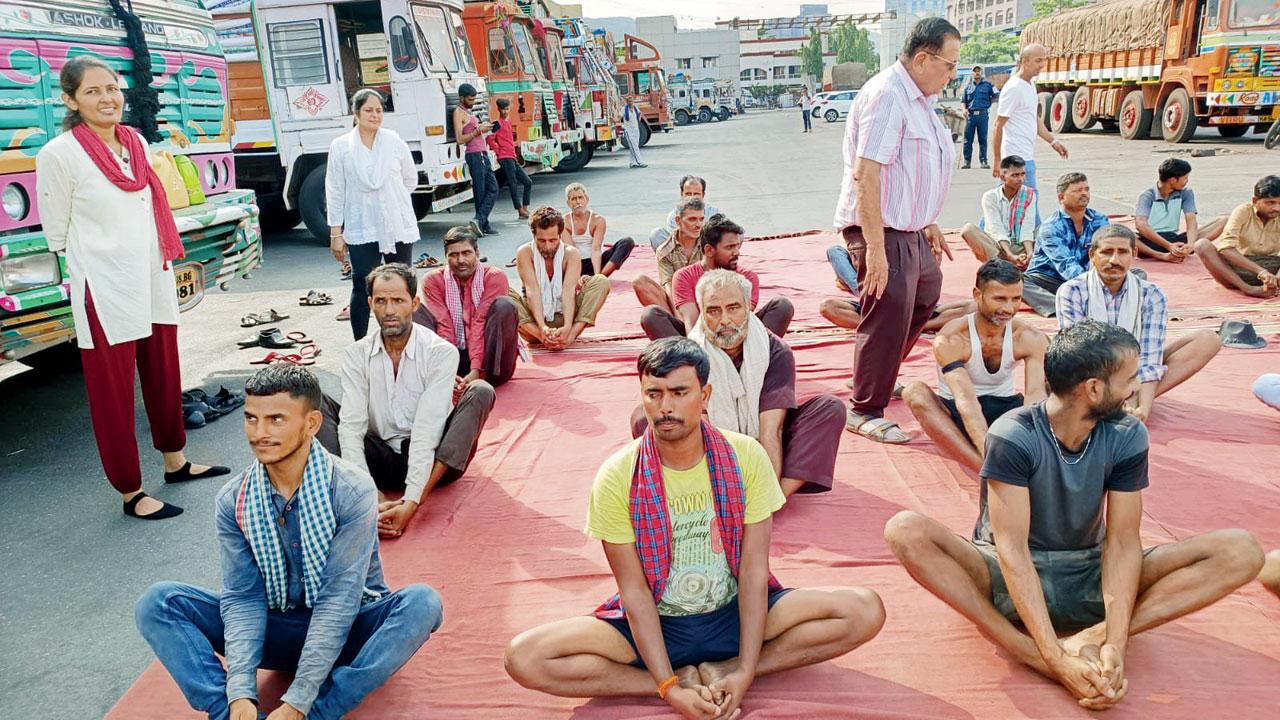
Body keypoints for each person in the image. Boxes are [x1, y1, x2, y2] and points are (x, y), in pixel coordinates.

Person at [884, 320, 1264, 711]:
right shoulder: (1013, 434)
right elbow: (1012, 551)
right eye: (1130, 378)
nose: (1136, 388)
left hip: (1088, 573)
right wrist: (1053, 659)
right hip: (1004, 575)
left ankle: (1090, 637)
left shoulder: (1127, 433)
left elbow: (1121, 542)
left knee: (1241, 550)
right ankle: (1027, 650)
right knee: (906, 530)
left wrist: (1113, 641)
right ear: (1095, 389)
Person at [504, 337, 885, 718]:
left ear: (704, 395)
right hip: (659, 620)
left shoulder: (744, 456)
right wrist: (669, 688)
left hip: (733, 610)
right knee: (525, 657)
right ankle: (678, 679)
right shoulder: (617, 475)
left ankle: (724, 669)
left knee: (864, 610)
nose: (665, 407)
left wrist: (745, 671)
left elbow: (753, 571)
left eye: (679, 392)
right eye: (653, 394)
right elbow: (634, 592)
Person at [135, 365, 445, 720]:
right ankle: (229, 716)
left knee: (423, 603)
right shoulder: (233, 499)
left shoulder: (350, 489)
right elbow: (242, 596)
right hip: (278, 627)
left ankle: (318, 714)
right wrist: (239, 692)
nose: (260, 433)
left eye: (276, 420)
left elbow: (340, 599)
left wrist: (298, 701)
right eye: (251, 419)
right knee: (158, 602)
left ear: (311, 424)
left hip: (350, 630)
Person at [35, 55, 227, 520]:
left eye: (112, 88)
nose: (107, 98)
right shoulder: (58, 155)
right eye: (92, 91)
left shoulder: (135, 143)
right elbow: (56, 232)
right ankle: (131, 491)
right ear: (70, 100)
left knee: (164, 373)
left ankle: (175, 461)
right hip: (104, 286)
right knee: (114, 393)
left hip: (151, 274)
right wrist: (99, 259)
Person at [833, 18, 960, 444]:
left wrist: (928, 219)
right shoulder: (889, 95)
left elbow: (913, 171)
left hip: (909, 229)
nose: (952, 74)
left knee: (926, 294)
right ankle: (864, 408)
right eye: (948, 64)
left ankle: (881, 378)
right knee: (887, 310)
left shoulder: (920, 99)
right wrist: (874, 249)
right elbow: (867, 173)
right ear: (922, 57)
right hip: (880, 229)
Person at [317, 263, 495, 538]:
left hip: (436, 462)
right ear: (370, 303)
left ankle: (420, 491)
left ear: (414, 303)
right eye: (381, 301)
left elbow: (427, 429)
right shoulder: (356, 354)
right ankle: (351, 487)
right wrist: (369, 495)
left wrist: (412, 502)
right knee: (311, 400)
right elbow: (351, 426)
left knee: (481, 391)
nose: (389, 311)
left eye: (398, 300)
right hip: (378, 457)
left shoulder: (440, 352)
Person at [640, 270, 843, 496]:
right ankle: (710, 492)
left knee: (829, 409)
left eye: (734, 308)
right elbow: (699, 423)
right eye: (714, 311)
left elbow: (771, 429)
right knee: (645, 418)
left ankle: (778, 495)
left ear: (748, 307)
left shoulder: (774, 350)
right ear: (702, 313)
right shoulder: (691, 354)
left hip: (765, 439)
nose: (724, 320)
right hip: (709, 445)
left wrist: (765, 495)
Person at [1057, 225, 1221, 423]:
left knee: (1208, 340)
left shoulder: (1152, 295)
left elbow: (1150, 360)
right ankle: (1113, 405)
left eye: (1122, 252)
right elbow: (1078, 356)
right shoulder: (1072, 291)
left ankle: (1125, 404)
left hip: (1133, 374)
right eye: (1107, 252)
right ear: (1092, 254)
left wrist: (1143, 409)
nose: (1114, 260)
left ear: (1134, 254)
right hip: (1090, 375)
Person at [903, 260, 1048, 472]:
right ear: (977, 295)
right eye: (999, 299)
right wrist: (989, 459)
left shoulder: (1030, 337)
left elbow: (1035, 395)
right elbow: (966, 401)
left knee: (1065, 382)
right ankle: (985, 470)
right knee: (914, 392)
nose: (1008, 308)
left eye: (1016, 299)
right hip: (957, 412)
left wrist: (1033, 445)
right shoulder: (952, 337)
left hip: (1005, 408)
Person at [327, 88, 420, 341]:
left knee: (402, 284)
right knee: (361, 283)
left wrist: (389, 201)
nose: (375, 115)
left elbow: (409, 180)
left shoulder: (394, 142)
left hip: (396, 225)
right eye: (368, 110)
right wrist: (336, 233)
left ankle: (404, 341)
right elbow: (335, 190)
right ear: (355, 113)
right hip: (361, 226)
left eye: (379, 110)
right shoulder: (341, 147)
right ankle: (362, 346)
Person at [640, 215, 794, 340]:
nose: (737, 252)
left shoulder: (748, 277)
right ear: (709, 250)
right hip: (697, 343)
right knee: (651, 315)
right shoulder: (684, 276)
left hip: (736, 339)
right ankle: (686, 365)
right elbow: (692, 328)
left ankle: (753, 362)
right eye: (729, 247)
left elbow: (739, 322)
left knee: (782, 306)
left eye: (737, 246)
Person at [416, 226, 519, 387]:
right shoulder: (433, 280)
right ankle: (430, 374)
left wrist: (477, 370)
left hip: (491, 362)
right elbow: (444, 325)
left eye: (466, 253)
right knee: (414, 309)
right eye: (454, 255)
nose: (461, 260)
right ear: (446, 257)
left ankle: (484, 376)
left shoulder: (494, 277)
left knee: (505, 306)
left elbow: (480, 320)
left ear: (477, 253)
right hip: (451, 357)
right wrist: (448, 369)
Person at [509, 206, 610, 351]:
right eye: (542, 241)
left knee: (601, 281)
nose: (547, 246)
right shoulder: (525, 252)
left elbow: (568, 292)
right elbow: (532, 291)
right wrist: (542, 329)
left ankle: (568, 337)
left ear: (560, 235)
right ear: (533, 236)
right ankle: (543, 338)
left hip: (566, 317)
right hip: (534, 324)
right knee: (500, 290)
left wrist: (568, 328)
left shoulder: (571, 253)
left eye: (553, 240)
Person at [992, 44, 1069, 225]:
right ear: (1024, 61)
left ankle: (985, 232)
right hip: (1015, 158)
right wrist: (997, 159)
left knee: (1006, 202)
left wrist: (1053, 141)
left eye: (1044, 60)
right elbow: (998, 125)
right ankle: (1039, 240)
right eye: (1038, 60)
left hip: (1026, 156)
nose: (1042, 65)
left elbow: (1034, 120)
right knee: (1027, 202)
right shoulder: (1014, 88)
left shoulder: (1029, 85)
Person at [1022, 172, 1108, 316]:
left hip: (1091, 278)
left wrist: (1101, 279)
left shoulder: (1100, 220)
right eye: (1077, 191)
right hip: (1049, 279)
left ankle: (1086, 300)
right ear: (1061, 197)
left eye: (1086, 189)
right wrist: (1091, 285)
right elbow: (1065, 265)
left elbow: (1104, 253)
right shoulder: (1050, 227)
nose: (1084, 194)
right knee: (1017, 281)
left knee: (1134, 274)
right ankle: (1061, 306)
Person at [1194, 175, 1280, 298]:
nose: (1276, 208)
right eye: (1270, 203)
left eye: (1279, 203)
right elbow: (1226, 248)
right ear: (1255, 201)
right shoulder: (1242, 211)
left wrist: (1277, 278)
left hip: (1273, 266)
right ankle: (1248, 289)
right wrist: (1261, 272)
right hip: (1238, 268)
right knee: (1201, 245)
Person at [1134, 158, 1226, 263]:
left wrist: (1191, 245)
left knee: (1224, 220)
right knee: (1124, 235)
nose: (1187, 181)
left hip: (1177, 240)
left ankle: (1181, 251)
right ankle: (1161, 255)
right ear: (1173, 180)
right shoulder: (1147, 196)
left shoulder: (1186, 192)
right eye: (1185, 178)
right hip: (1150, 241)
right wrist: (1168, 246)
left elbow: (1191, 220)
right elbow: (1141, 225)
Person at [960, 155, 1036, 269]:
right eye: (1015, 175)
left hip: (1020, 245)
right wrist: (1009, 255)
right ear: (1002, 177)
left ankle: (1026, 262)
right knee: (968, 230)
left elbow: (1027, 226)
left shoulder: (1029, 194)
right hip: (996, 246)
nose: (1020, 179)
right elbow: (996, 228)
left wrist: (1030, 253)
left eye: (1022, 174)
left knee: (1045, 230)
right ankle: (1001, 265)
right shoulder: (990, 197)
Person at [633, 197, 706, 310]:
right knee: (640, 282)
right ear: (678, 221)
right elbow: (669, 287)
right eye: (692, 219)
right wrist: (680, 318)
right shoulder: (664, 251)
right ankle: (677, 324)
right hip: (677, 303)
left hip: (705, 301)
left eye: (701, 219)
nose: (698, 224)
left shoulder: (710, 245)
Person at [454, 83, 499, 237]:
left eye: (474, 99)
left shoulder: (468, 112)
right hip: (474, 154)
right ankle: (481, 223)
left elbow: (475, 130)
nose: (472, 101)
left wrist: (483, 128)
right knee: (480, 191)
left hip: (482, 153)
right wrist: (477, 131)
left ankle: (480, 220)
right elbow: (460, 139)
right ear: (461, 98)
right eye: (470, 99)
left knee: (493, 188)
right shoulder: (458, 113)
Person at [562, 182, 634, 277]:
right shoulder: (563, 221)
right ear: (568, 203)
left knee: (627, 242)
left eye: (580, 198)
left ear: (587, 199)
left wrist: (597, 275)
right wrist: (575, 275)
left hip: (595, 262)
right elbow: (571, 251)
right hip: (574, 264)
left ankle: (600, 277)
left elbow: (596, 249)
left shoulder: (598, 220)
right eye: (573, 199)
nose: (578, 202)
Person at [649, 175, 721, 249]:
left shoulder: (713, 213)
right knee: (656, 234)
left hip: (704, 252)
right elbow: (675, 241)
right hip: (680, 252)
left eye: (696, 194)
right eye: (688, 194)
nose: (692, 198)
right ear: (682, 194)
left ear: (703, 195)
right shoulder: (674, 216)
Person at [488, 97, 531, 220]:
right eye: (503, 109)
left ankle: (525, 208)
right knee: (513, 183)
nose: (505, 111)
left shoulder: (508, 121)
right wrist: (498, 151)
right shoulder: (497, 123)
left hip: (512, 156)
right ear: (499, 109)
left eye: (507, 109)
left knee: (527, 182)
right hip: (505, 157)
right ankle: (520, 211)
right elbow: (490, 139)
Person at [961, 65, 995, 169]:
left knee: (983, 139)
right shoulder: (968, 86)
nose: (977, 73)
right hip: (971, 116)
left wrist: (987, 106)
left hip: (983, 115)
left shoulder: (988, 85)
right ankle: (967, 161)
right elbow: (963, 101)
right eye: (975, 71)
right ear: (972, 73)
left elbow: (993, 97)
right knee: (968, 140)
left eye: (978, 71)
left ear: (981, 72)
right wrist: (964, 109)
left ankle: (983, 161)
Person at [622, 99, 647, 168]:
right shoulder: (624, 109)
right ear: (627, 102)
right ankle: (640, 162)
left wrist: (638, 119)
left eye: (632, 101)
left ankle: (632, 162)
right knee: (634, 146)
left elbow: (639, 114)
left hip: (636, 129)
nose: (631, 102)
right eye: (629, 101)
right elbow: (619, 116)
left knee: (633, 146)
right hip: (628, 130)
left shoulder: (635, 108)